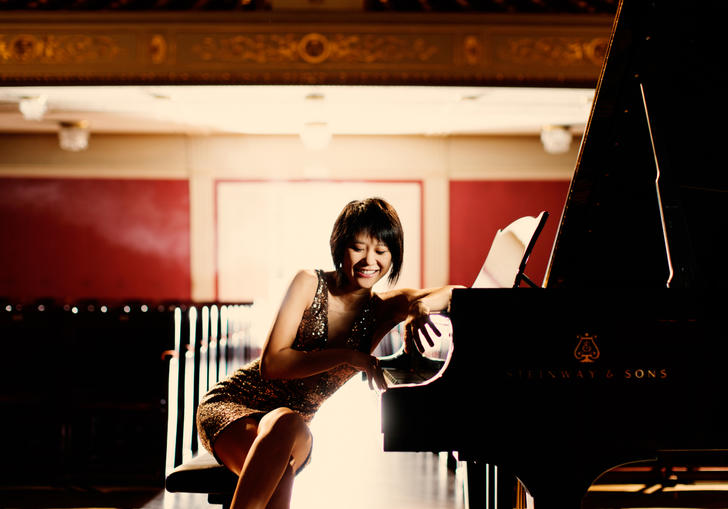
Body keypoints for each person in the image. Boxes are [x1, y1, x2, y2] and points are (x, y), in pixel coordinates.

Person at [196, 197, 462, 509]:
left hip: (294, 429)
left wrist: (420, 305)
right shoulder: (309, 282)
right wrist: (349, 355)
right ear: (340, 246)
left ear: (394, 256)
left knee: (287, 425)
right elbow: (273, 364)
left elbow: (458, 293)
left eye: (381, 250)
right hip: (235, 407)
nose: (369, 260)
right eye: (359, 247)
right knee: (280, 461)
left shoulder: (382, 309)